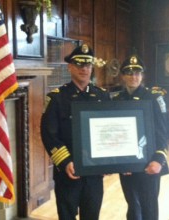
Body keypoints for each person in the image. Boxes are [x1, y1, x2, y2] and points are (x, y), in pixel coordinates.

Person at [40, 44, 110, 220]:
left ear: (92, 68)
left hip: (94, 173)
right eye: (79, 65)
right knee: (67, 216)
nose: (84, 69)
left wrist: (108, 161)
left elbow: (108, 131)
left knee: (92, 215)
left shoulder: (102, 96)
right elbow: (49, 134)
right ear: (70, 67)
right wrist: (65, 162)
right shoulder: (56, 98)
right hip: (68, 171)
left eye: (87, 65)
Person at [112, 54, 169, 220]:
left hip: (149, 162)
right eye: (129, 73)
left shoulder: (153, 97)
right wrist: (119, 161)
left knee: (149, 207)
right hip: (126, 164)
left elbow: (162, 131)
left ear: (142, 75)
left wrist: (159, 159)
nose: (133, 77)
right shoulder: (117, 99)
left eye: (137, 73)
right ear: (123, 76)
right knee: (132, 204)